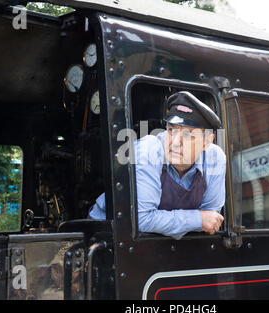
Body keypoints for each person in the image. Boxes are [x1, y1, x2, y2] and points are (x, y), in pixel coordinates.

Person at [89, 91, 226, 240]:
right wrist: (197, 219)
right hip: (104, 234)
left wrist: (198, 220)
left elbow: (212, 219)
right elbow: (142, 219)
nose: (174, 143)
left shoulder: (215, 158)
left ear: (207, 141)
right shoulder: (148, 150)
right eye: (171, 130)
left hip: (155, 241)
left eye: (187, 135)